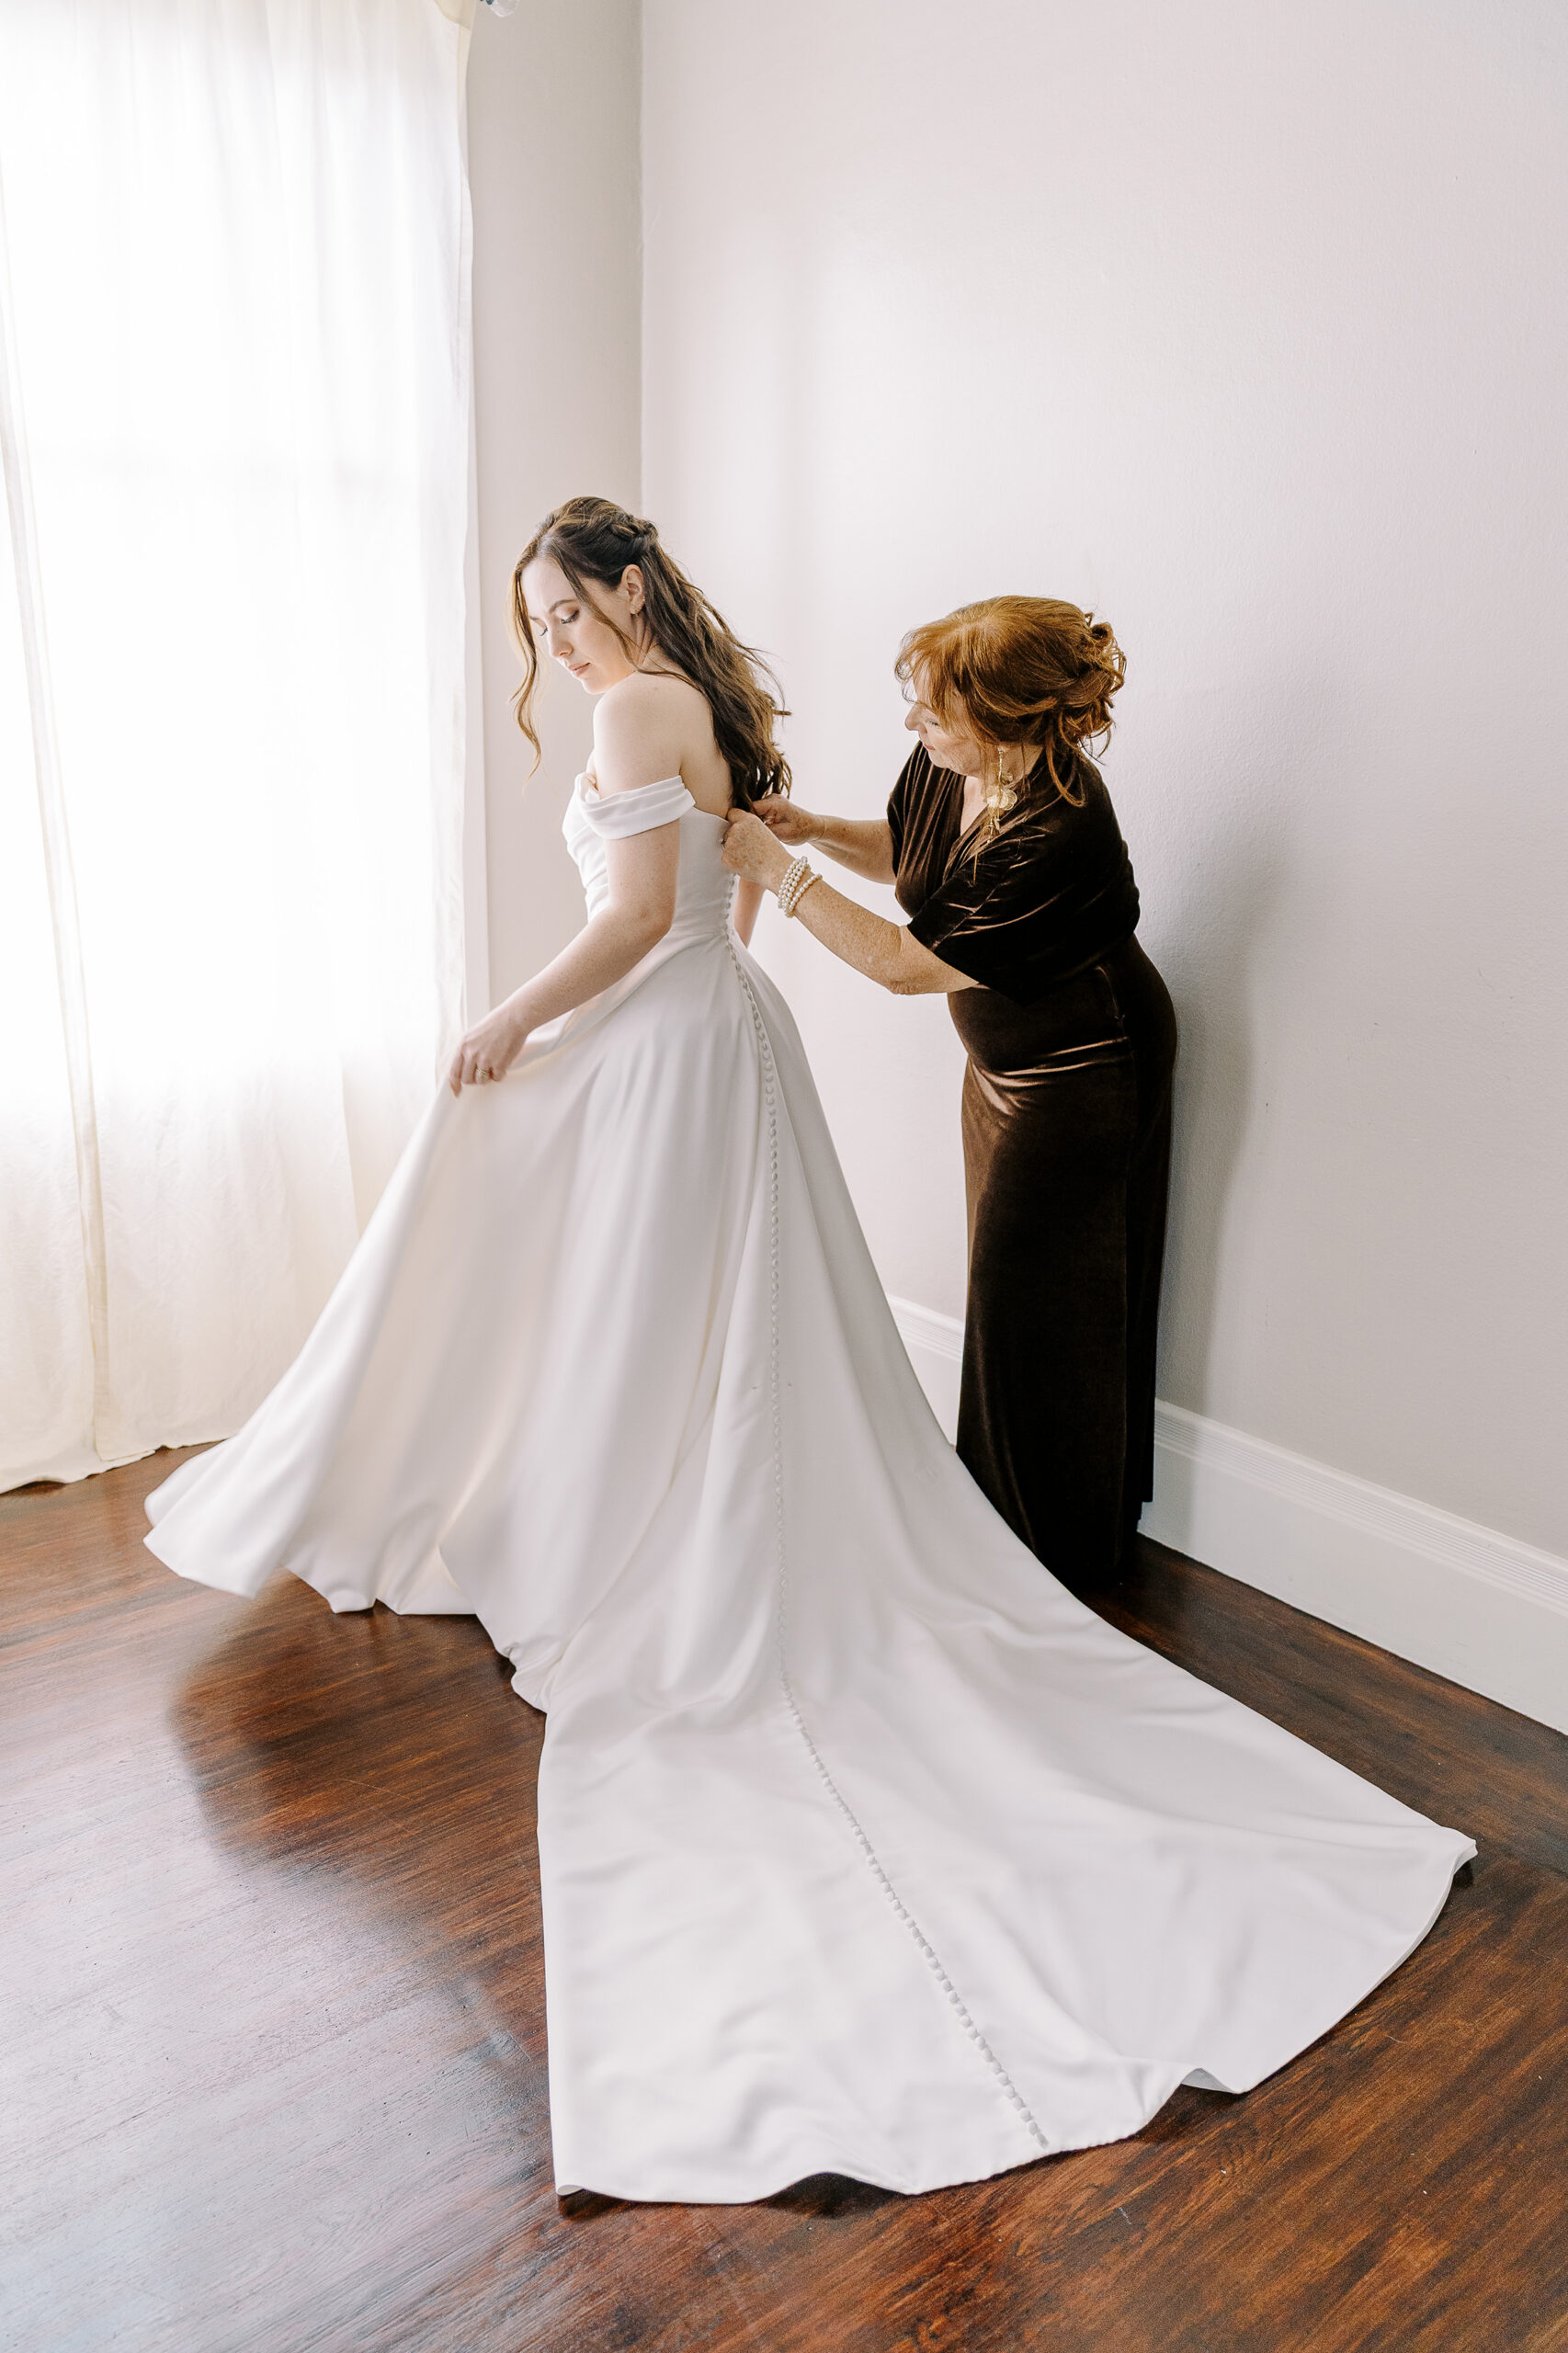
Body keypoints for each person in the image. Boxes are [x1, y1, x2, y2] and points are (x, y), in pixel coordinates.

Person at [146, 500, 1471, 2207]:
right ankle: (881, 1530)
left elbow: (806, 937)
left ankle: (1018, 1546)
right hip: (728, 1039)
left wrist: (522, 1013)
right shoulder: (737, 713)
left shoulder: (880, 776)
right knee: (736, 1316)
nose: (551, 637)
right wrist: (735, 913)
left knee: (964, 1310)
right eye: (533, 617)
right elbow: (780, 881)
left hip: (1005, 1052)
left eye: (564, 604)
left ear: (623, 589)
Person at [723, 597, 1174, 1595]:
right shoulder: (948, 765)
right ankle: (1012, 1528)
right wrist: (815, 830)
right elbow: (907, 854)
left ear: (1007, 719)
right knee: (1011, 1294)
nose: (911, 726)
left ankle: (1049, 1554)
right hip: (1002, 1069)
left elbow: (900, 962)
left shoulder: (1058, 827)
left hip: (1086, 1065)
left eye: (930, 712)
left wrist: (779, 874)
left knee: (1043, 1303)